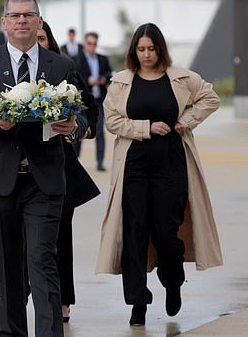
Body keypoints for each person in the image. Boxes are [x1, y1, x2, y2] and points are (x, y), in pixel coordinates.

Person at [0, 0, 83, 337]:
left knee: (43, 262)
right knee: (9, 268)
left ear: (39, 22)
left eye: (29, 15)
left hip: (44, 181)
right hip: (0, 182)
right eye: (15, 16)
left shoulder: (61, 66)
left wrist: (74, 127)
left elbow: (86, 115)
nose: (22, 21)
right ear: (4, 23)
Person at [95, 23, 223, 326]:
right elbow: (112, 120)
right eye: (141, 49)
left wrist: (186, 121)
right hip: (134, 165)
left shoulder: (180, 78)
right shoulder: (122, 82)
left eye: (152, 48)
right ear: (133, 51)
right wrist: (145, 128)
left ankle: (173, 280)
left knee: (166, 230)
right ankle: (137, 303)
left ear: (160, 49)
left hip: (171, 162)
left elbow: (211, 98)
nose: (147, 54)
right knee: (135, 231)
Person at [37, 21, 100, 322]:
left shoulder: (65, 69)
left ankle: (63, 299)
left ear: (50, 41)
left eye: (41, 37)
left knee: (60, 236)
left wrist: (77, 129)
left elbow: (90, 110)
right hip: (18, 169)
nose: (35, 42)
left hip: (59, 167)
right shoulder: (10, 72)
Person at [75, 32, 112, 171]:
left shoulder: (102, 59)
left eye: (94, 44)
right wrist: (88, 81)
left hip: (99, 101)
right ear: (85, 44)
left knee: (99, 131)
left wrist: (103, 79)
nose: (92, 46)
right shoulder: (77, 60)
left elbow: (110, 74)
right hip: (83, 102)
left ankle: (100, 161)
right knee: (79, 130)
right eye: (89, 43)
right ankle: (76, 161)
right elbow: (76, 78)